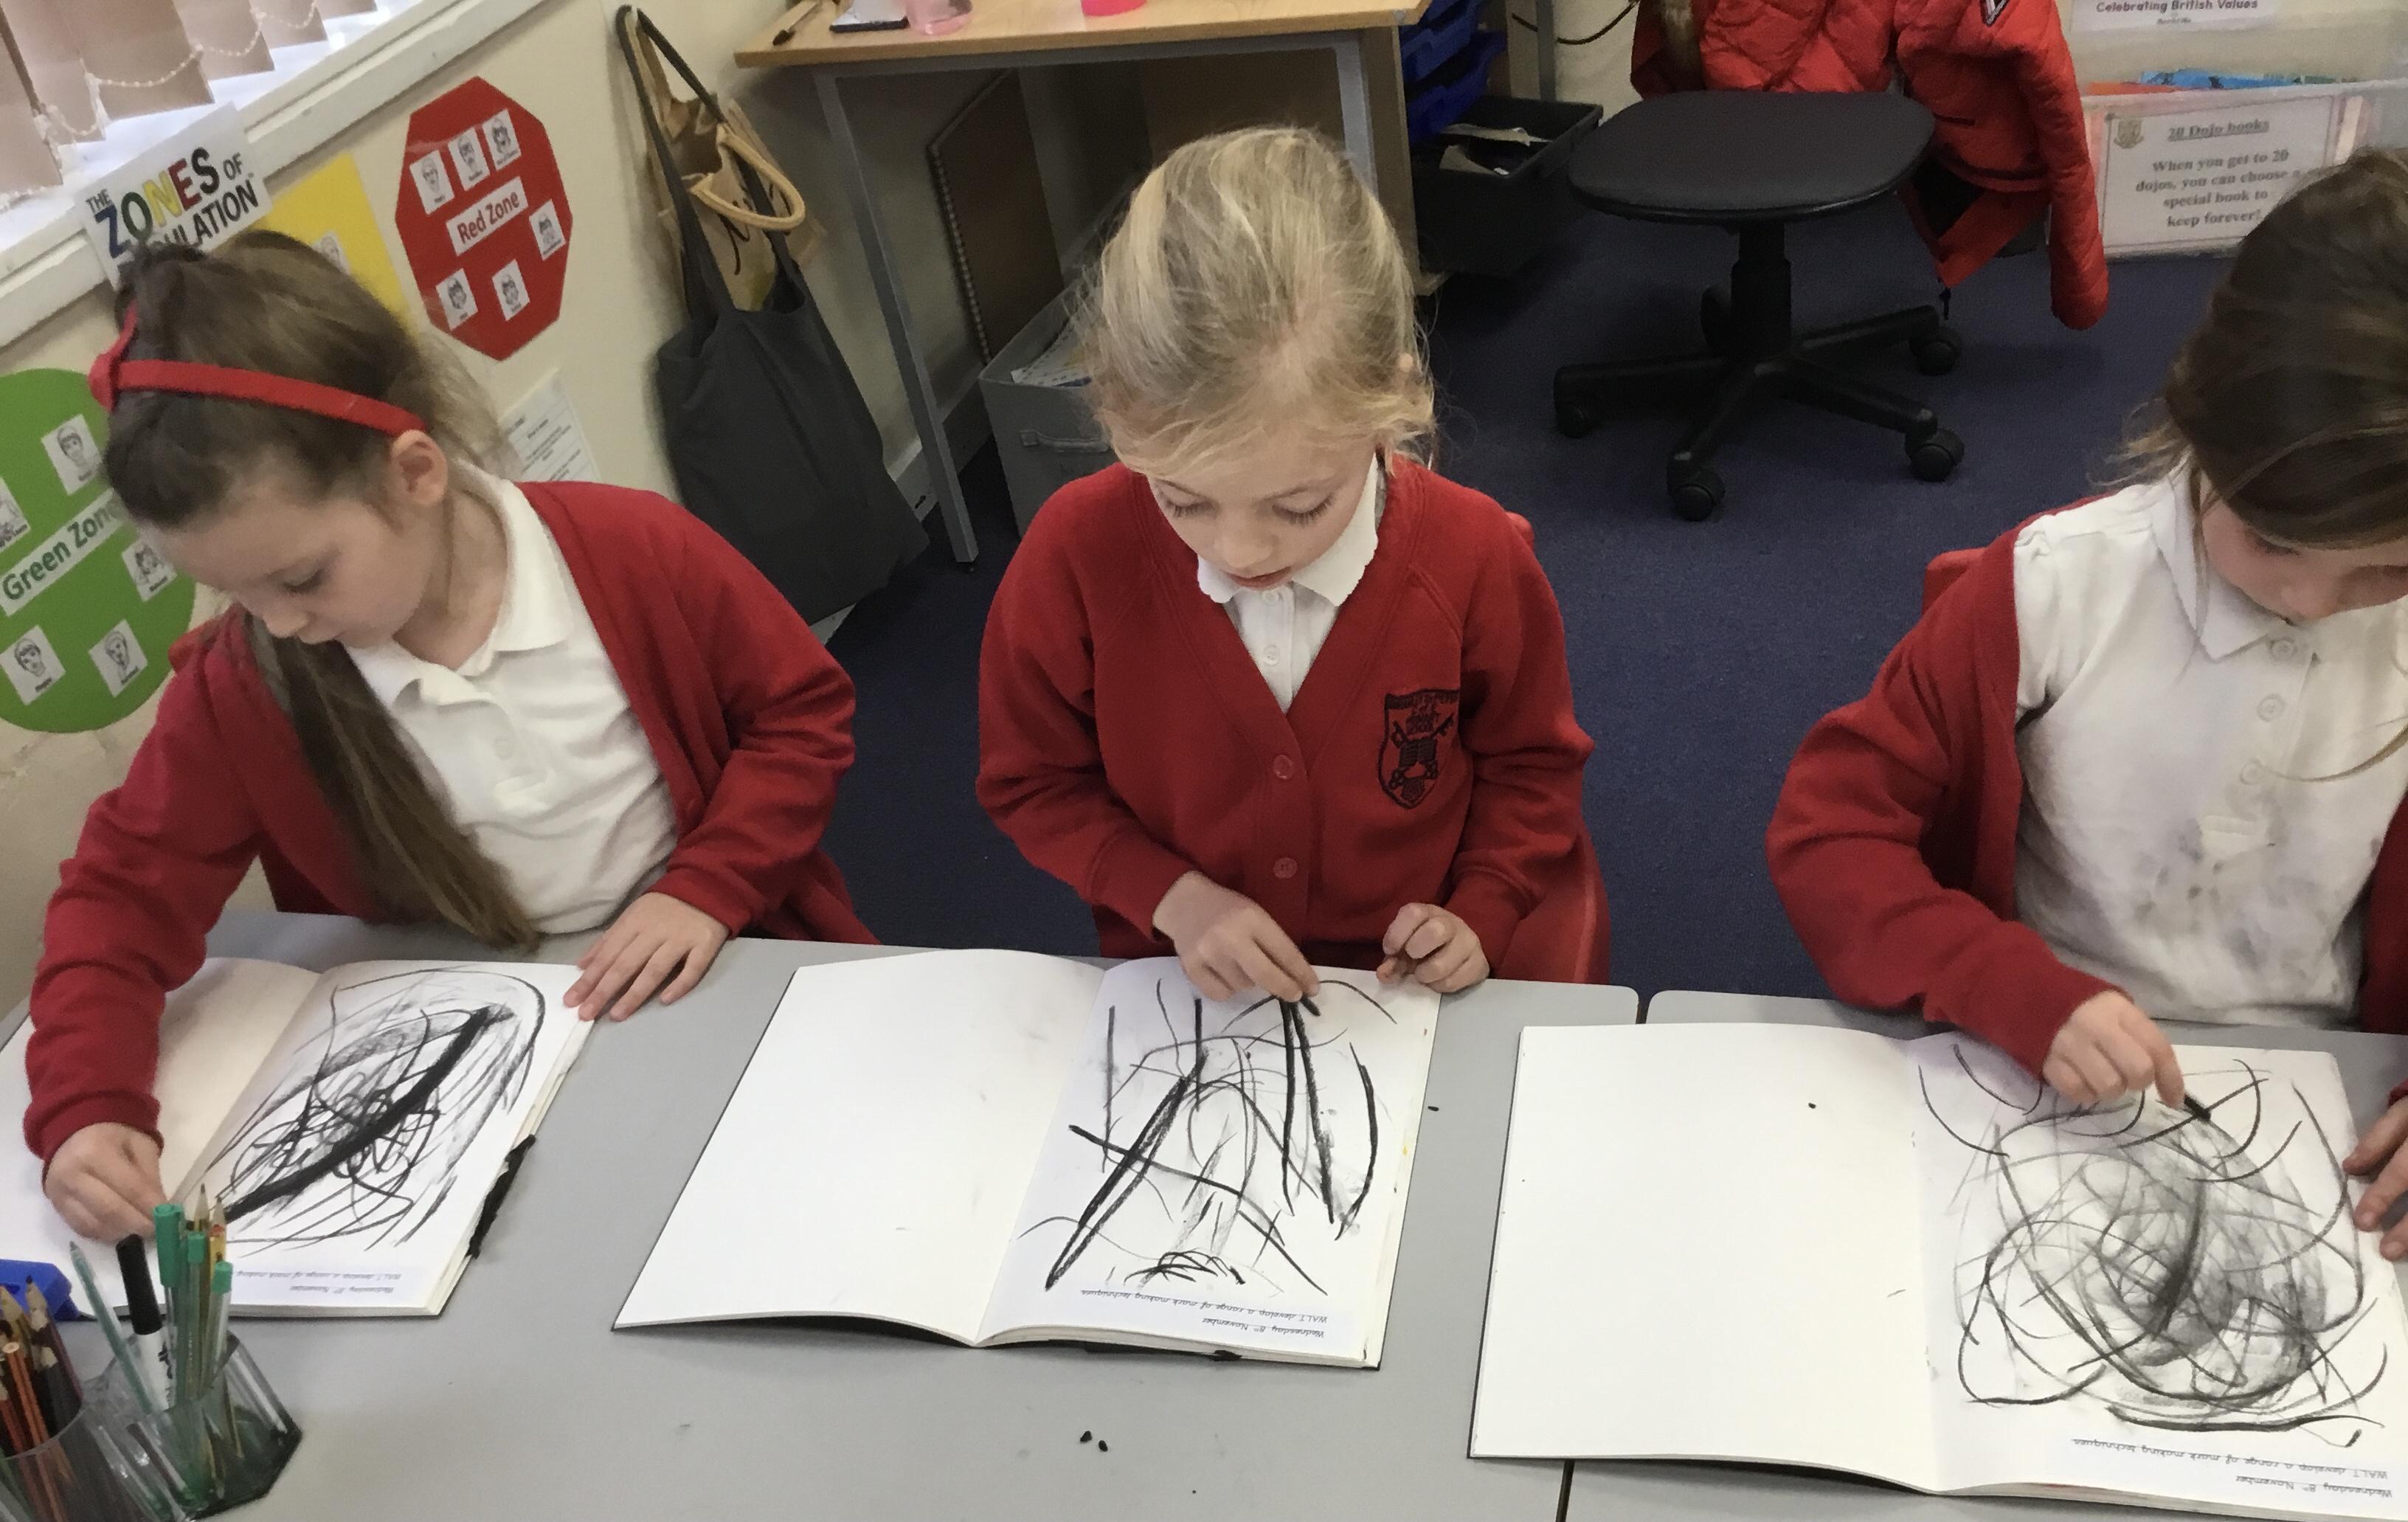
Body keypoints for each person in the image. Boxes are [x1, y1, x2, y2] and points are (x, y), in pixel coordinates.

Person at [31, 232, 873, 1239]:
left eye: (301, 578)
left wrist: (710, 883)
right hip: (468, 1051)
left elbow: (800, 715)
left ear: (415, 472)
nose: (280, 622)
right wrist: (87, 1104)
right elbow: (119, 898)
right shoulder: (245, 684)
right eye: (238, 593)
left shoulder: (633, 550)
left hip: (714, 962)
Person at [1765, 151, 2408, 1256]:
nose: (2310, 601)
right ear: (2200, 419)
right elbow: (1830, 838)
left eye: (2384, 570)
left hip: (2331, 1095)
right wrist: (2002, 982)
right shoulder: (2055, 591)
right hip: (2036, 1057)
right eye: (2271, 540)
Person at [978, 128, 1608, 1004]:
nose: (1240, 552)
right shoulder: (1076, 554)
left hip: (1410, 995)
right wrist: (1173, 898)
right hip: (1195, 986)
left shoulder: (1471, 555)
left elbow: (1532, 764)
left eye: (1299, 505)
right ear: (1114, 413)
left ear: (1392, 402)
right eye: (1183, 500)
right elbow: (1031, 779)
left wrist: (1485, 903)